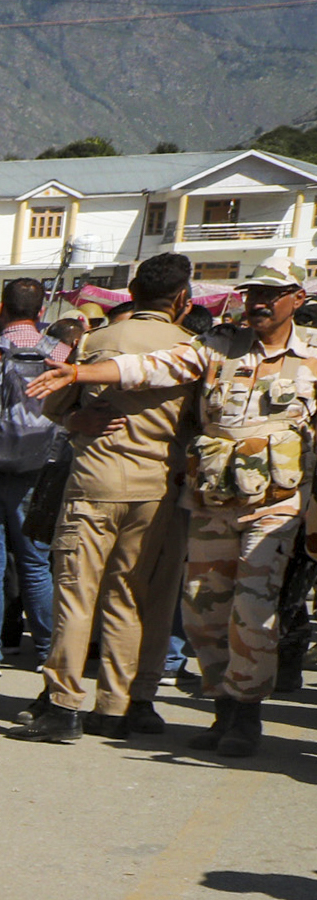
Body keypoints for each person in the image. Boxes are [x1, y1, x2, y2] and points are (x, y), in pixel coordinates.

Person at [29, 250, 317, 758]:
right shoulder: (217, 345)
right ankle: (222, 705)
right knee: (204, 609)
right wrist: (78, 376)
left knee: (252, 607)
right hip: (212, 498)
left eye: (272, 295)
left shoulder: (314, 353)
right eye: (253, 294)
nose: (259, 304)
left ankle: (244, 714)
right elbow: (151, 367)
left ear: (298, 298)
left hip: (274, 505)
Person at [13, 252, 201, 744]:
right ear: (182, 299)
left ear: (132, 294)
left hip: (95, 481)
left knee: (76, 594)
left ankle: (63, 703)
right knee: (137, 598)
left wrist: (77, 422)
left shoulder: (96, 342)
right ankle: (124, 703)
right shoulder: (191, 348)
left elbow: (56, 407)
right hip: (158, 488)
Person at [0, 278, 69, 674]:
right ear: (41, 312)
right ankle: (46, 651)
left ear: (2, 310)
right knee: (37, 564)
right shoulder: (60, 351)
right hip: (41, 470)